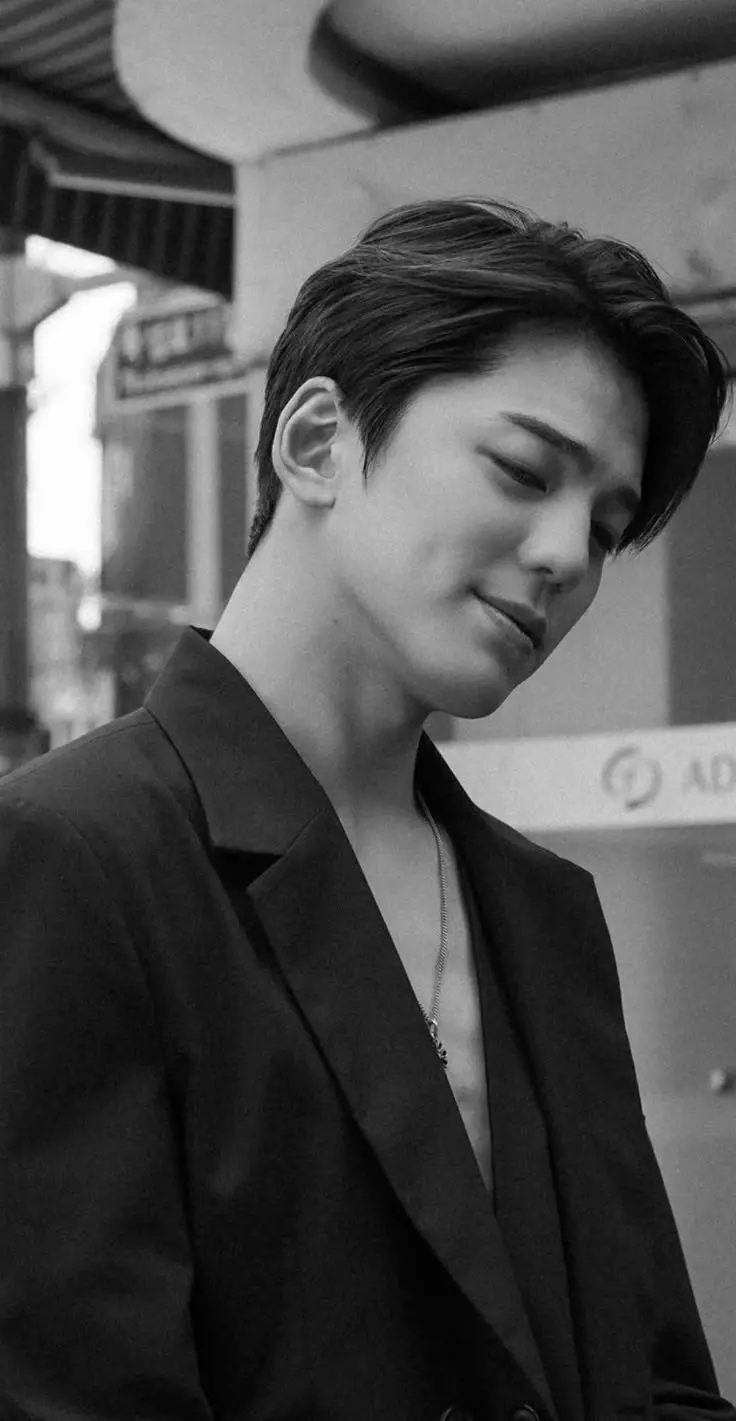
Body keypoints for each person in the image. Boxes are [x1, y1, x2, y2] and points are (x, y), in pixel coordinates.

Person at [0, 198, 733, 1421]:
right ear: (315, 441)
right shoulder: (75, 854)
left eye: (607, 529)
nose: (567, 555)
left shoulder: (544, 909)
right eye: (523, 469)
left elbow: (650, 1370)